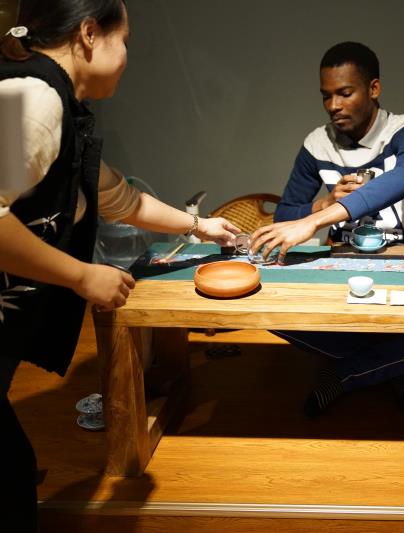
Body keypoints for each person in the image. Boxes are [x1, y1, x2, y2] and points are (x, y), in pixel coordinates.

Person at [0, 1, 239, 528]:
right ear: (89, 33)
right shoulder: (35, 98)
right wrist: (84, 275)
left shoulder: (56, 102)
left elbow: (119, 199)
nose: (128, 55)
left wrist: (199, 226)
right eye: (124, 40)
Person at [249, 42, 404, 418]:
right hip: (345, 262)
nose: (333, 105)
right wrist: (322, 203)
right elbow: (286, 213)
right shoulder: (316, 144)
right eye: (326, 96)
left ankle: (345, 373)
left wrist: (318, 220)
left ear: (374, 89)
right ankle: (395, 365)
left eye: (344, 93)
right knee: (263, 310)